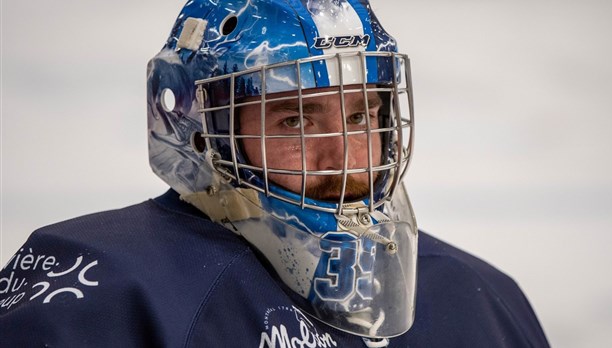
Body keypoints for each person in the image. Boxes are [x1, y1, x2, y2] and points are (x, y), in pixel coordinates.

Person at [0, 0, 549, 346]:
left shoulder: (478, 296)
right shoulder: (107, 289)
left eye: (361, 115)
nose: (345, 157)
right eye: (295, 120)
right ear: (197, 128)